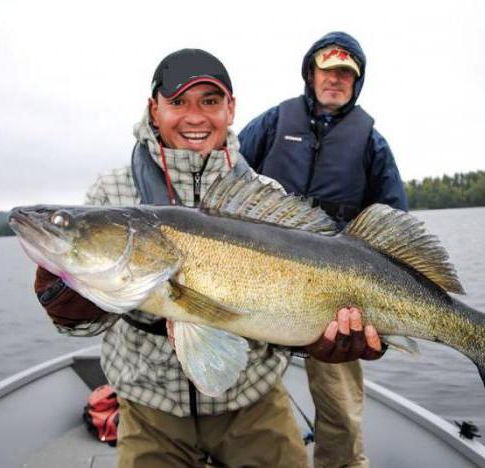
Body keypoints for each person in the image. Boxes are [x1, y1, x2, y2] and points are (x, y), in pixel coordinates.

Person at [33, 48, 383, 468]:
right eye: (178, 102)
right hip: (148, 406)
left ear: (230, 109)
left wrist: (318, 342)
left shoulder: (263, 192)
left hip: (252, 399)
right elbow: (86, 322)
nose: (195, 117)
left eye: (210, 102)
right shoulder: (112, 192)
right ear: (154, 108)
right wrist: (69, 309)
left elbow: (294, 309)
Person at [239, 31, 409, 468]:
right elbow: (229, 176)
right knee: (236, 396)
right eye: (326, 70)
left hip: (338, 297)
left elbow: (395, 225)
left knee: (341, 415)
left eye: (345, 75)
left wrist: (385, 320)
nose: (334, 80)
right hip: (256, 283)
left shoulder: (372, 142)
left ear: (357, 83)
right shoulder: (273, 123)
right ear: (309, 74)